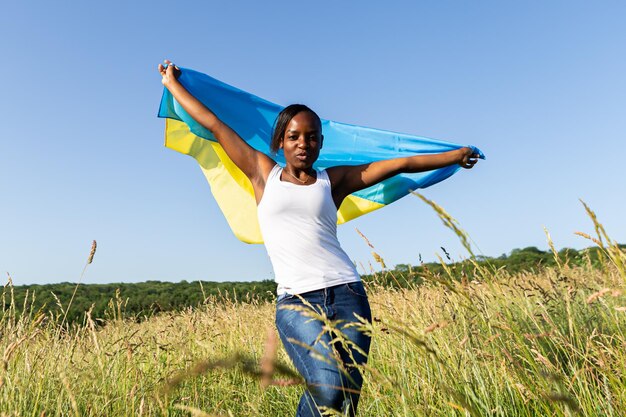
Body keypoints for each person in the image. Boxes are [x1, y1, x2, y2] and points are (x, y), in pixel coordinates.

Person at [158, 60, 479, 417]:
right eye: (294, 136)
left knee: (345, 403)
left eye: (311, 137)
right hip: (297, 303)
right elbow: (215, 124)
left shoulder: (333, 181)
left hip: (349, 295)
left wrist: (455, 155)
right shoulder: (262, 173)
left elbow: (399, 164)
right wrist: (173, 86)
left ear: (321, 143)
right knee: (327, 388)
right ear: (280, 142)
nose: (303, 143)